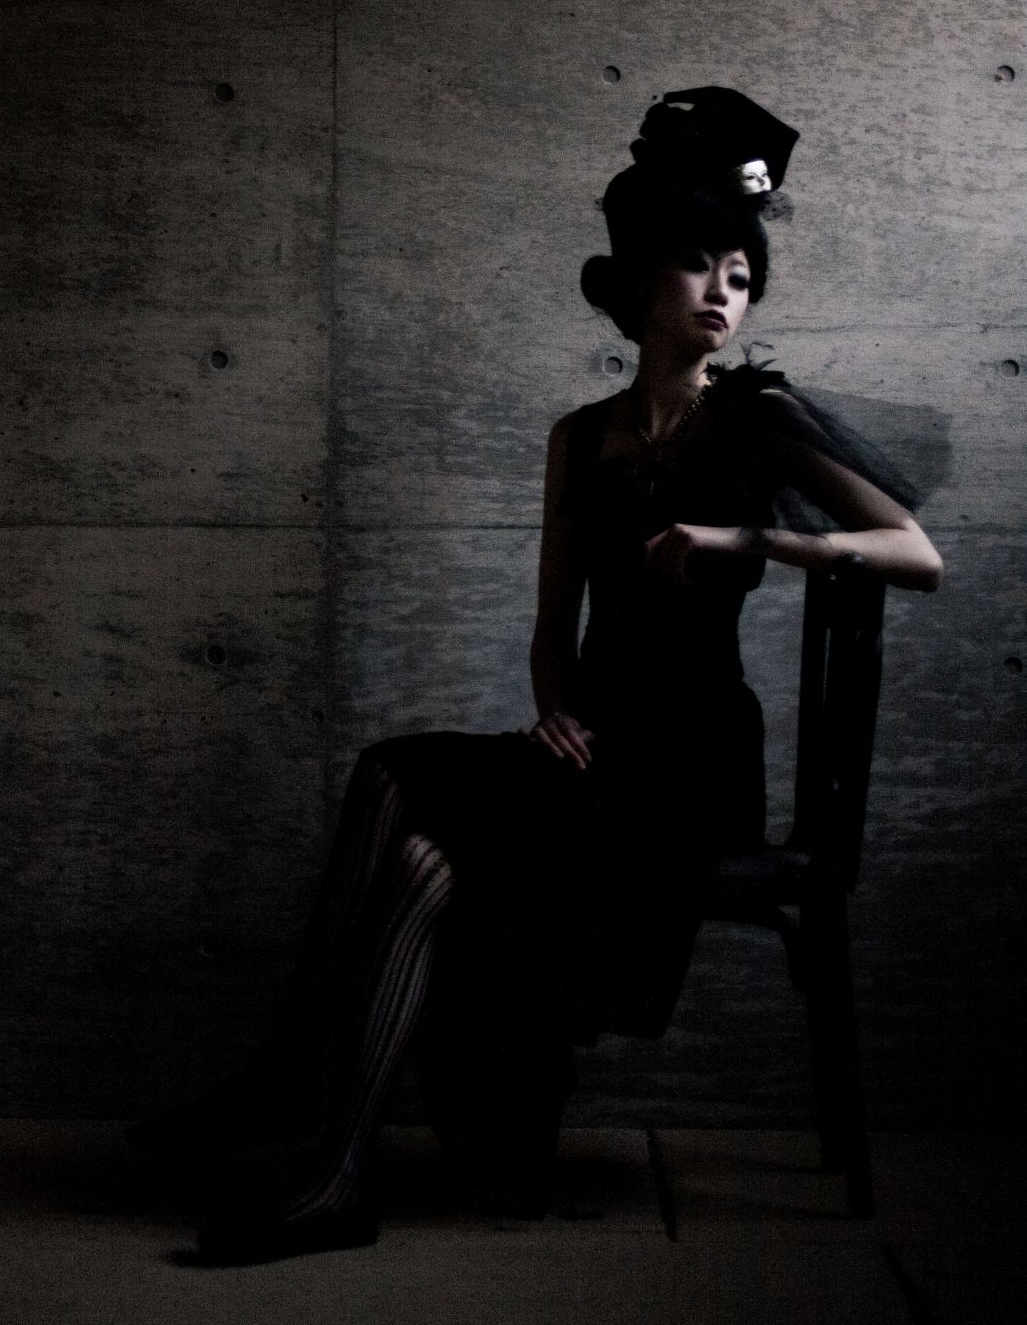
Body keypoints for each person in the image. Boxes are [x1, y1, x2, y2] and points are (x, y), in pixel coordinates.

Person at [164, 86, 942, 1266]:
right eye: (698, 264)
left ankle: (311, 1129)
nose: (724, 290)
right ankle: (323, 1147)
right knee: (400, 806)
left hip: (690, 768)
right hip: (593, 743)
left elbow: (915, 552)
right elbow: (549, 628)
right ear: (638, 282)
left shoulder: (761, 422)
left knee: (415, 834)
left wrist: (751, 538)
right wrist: (553, 708)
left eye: (742, 272)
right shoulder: (578, 437)